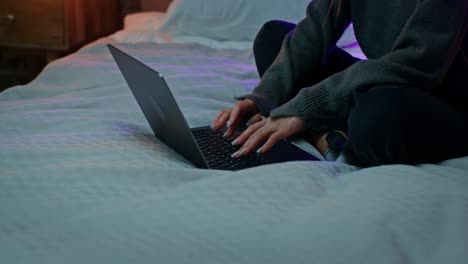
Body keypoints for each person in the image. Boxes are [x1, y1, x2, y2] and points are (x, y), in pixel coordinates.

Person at [211, 0, 468, 167]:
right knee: (273, 38)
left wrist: (305, 106)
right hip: (391, 79)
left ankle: (330, 129)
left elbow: (416, 63)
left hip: (446, 98)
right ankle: (330, 133)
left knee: (376, 118)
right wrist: (262, 98)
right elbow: (314, 31)